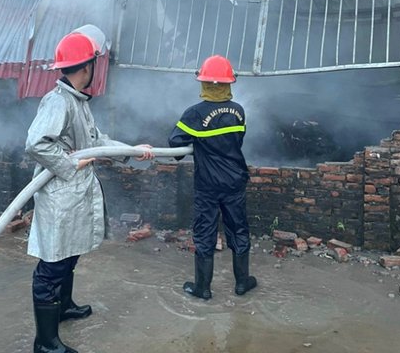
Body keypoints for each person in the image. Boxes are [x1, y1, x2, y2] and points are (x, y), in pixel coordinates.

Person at [25, 30, 154, 353]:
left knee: (69, 254)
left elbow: (97, 141)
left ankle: (64, 306)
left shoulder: (77, 102)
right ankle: (45, 342)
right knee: (52, 267)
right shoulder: (58, 102)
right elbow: (36, 143)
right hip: (60, 196)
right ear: (86, 67)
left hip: (74, 195)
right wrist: (70, 163)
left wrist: (132, 151)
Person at [168, 55, 257, 300]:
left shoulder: (194, 114)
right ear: (229, 83)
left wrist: (196, 141)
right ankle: (242, 283)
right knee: (238, 229)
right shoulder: (238, 111)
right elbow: (236, 141)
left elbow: (174, 142)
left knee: (205, 232)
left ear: (204, 83)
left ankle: (203, 288)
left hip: (208, 185)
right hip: (235, 181)